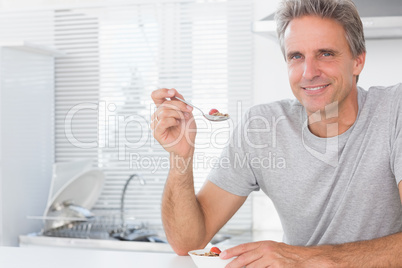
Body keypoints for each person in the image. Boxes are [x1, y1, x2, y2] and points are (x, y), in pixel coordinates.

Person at [150, 0, 402, 266]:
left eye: (326, 53)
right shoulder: (262, 127)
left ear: (357, 61)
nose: (309, 72)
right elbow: (187, 243)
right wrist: (181, 156)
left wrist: (302, 258)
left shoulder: (394, 111)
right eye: (296, 56)